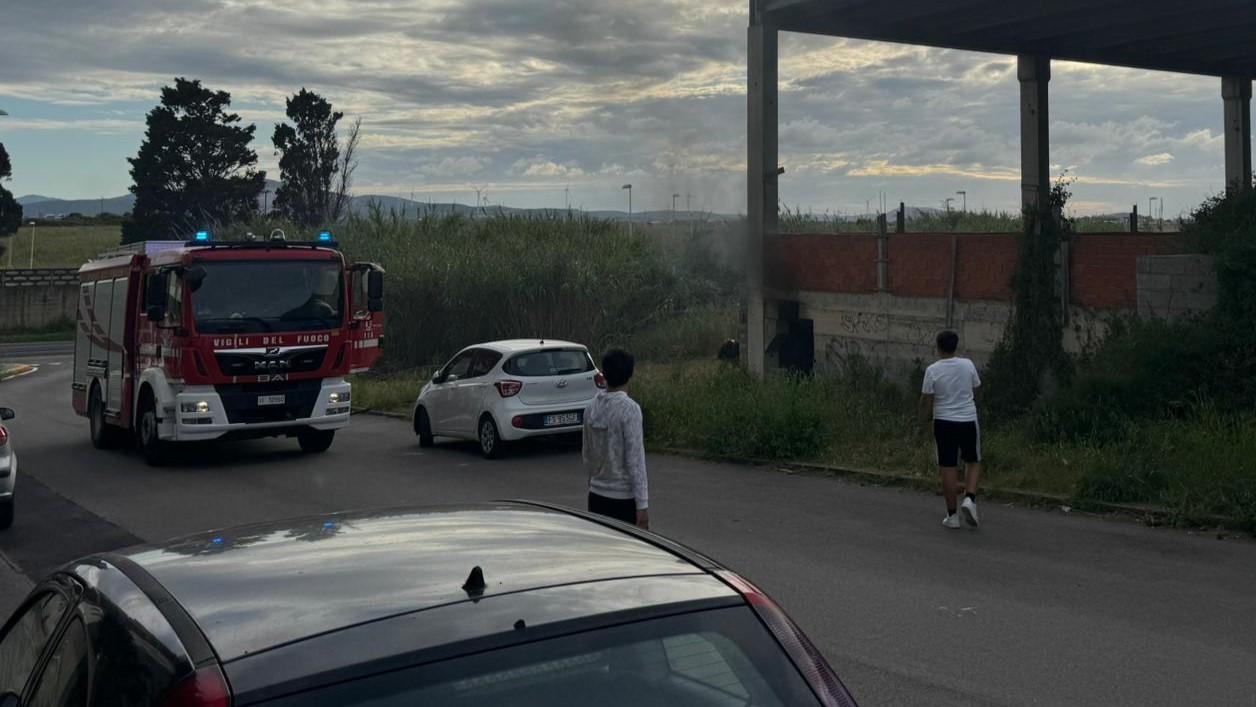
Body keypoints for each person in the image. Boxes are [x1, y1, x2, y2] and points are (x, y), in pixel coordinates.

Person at [919, 330, 982, 529]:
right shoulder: (968, 364)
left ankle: (952, 516)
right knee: (973, 461)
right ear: (956, 346)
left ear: (938, 347)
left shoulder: (932, 370)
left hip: (943, 422)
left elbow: (926, 400)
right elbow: (977, 389)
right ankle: (970, 498)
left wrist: (922, 421)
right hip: (968, 419)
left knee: (948, 467)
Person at [582, 348, 649, 529]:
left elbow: (587, 455)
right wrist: (642, 505)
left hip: (596, 496)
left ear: (604, 374)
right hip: (623, 500)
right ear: (629, 374)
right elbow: (635, 461)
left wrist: (594, 482)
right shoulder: (630, 409)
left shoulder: (590, 408)